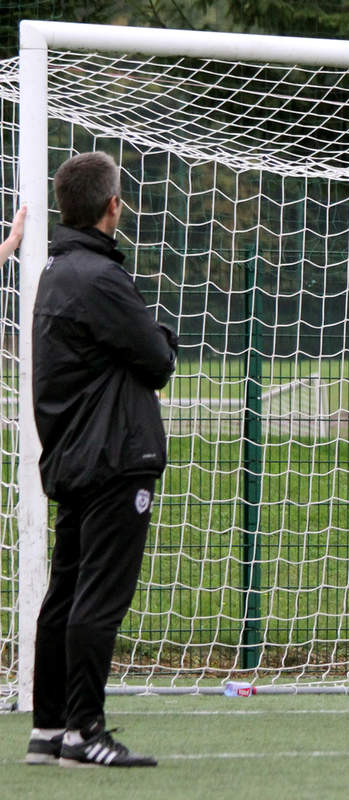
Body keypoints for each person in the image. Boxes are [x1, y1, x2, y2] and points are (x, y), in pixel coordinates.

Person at [25, 152, 177, 767]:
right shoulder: (98, 276)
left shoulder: (55, 271)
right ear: (112, 205)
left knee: (65, 592)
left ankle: (50, 727)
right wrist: (157, 336)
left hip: (75, 456)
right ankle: (85, 731)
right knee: (97, 598)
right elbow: (158, 357)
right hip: (114, 456)